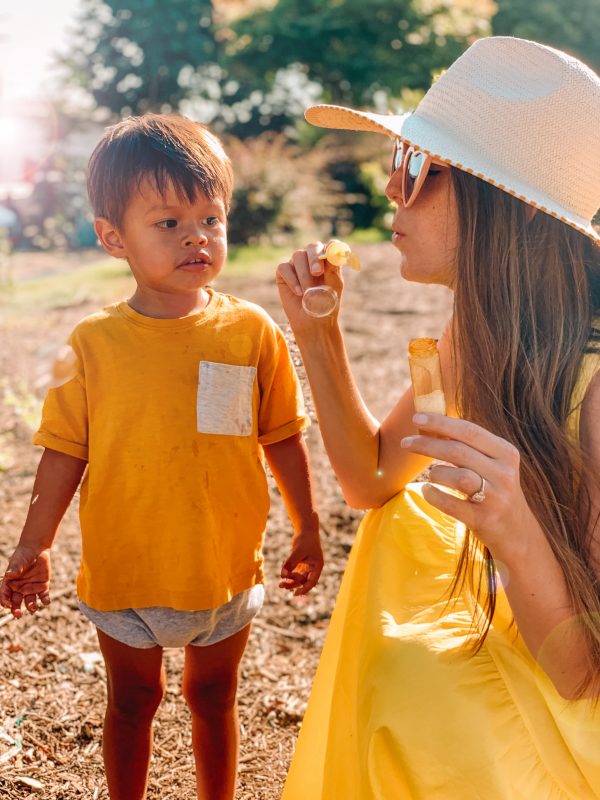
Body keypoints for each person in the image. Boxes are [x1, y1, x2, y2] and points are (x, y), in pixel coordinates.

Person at [275, 36, 600, 799]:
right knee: (399, 527)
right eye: (398, 160)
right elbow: (372, 477)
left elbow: (582, 671)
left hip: (578, 700)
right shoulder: (475, 331)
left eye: (421, 168)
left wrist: (516, 533)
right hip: (526, 618)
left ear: (508, 208)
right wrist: (318, 336)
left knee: (419, 700)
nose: (391, 187)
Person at [0, 113, 323, 800]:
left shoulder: (250, 331)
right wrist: (36, 542)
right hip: (127, 570)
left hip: (222, 564)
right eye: (169, 223)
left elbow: (282, 436)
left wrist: (308, 525)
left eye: (210, 218)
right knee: (131, 702)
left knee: (214, 697)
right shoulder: (94, 343)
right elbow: (63, 452)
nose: (196, 237)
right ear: (112, 236)